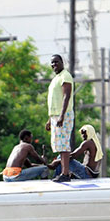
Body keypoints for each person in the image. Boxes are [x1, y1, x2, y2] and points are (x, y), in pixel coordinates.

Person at [46, 54, 74, 183]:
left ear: (62, 62)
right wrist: (50, 119)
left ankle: (65, 173)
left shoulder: (65, 76)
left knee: (64, 145)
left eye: (56, 62)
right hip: (55, 116)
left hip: (63, 115)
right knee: (59, 145)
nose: (54, 65)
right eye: (52, 63)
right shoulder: (56, 78)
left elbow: (66, 96)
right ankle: (63, 172)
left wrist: (62, 115)